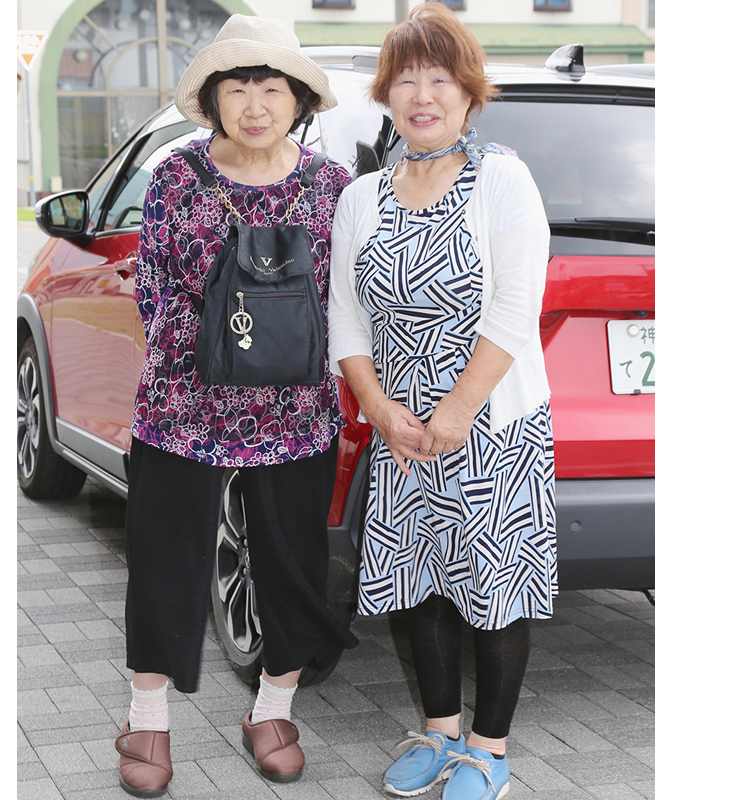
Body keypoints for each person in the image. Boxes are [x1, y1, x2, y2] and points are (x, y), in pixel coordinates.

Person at [115, 14, 359, 797]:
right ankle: (147, 720)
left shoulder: (332, 188)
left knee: (289, 568)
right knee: (164, 562)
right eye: (238, 87)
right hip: (184, 409)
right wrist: (237, 348)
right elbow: (154, 290)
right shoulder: (178, 177)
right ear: (215, 100)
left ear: (298, 100)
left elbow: (347, 301)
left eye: (272, 87)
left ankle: (274, 709)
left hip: (297, 418)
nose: (256, 103)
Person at [328, 5, 557, 800]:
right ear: (387, 95)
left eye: (440, 78)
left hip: (490, 422)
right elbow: (345, 318)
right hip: (398, 427)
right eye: (406, 80)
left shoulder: (502, 178)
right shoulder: (362, 198)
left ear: (468, 92)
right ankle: (437, 736)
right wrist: (382, 411)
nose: (422, 94)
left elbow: (516, 307)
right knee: (415, 583)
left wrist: (455, 411)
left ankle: (487, 753)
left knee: (494, 590)